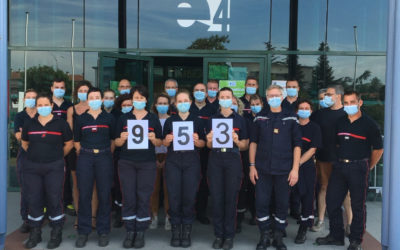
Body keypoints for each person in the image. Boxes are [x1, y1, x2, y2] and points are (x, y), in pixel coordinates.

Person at [316, 90, 383, 250]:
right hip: (339, 166)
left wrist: (368, 166)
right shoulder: (340, 122)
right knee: (332, 201)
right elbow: (337, 144)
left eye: (352, 102)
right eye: (346, 103)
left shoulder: (370, 124)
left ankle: (356, 240)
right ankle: (336, 236)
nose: (349, 106)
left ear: (360, 103)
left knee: (358, 205)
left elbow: (378, 150)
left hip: (359, 167)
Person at [249, 84, 302, 250]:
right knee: (262, 203)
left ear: (282, 96)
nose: (273, 98)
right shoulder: (260, 117)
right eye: (270, 95)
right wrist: (252, 166)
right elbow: (253, 143)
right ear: (266, 97)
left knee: (282, 203)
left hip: (284, 170)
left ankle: (278, 236)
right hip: (262, 169)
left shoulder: (291, 118)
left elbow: (297, 146)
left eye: (276, 95)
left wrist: (295, 169)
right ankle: (264, 236)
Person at [21, 93, 73, 249]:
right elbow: (24, 143)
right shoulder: (30, 124)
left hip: (54, 167)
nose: (43, 108)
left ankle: (56, 232)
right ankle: (35, 233)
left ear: (51, 106)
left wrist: (56, 156)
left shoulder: (61, 123)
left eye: (46, 105)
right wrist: (35, 155)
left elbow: (69, 144)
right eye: (40, 105)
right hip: (32, 167)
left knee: (54, 198)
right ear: (36, 107)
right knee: (34, 199)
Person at [115, 85, 163, 248]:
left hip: (147, 163)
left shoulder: (152, 119)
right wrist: (121, 138)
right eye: (136, 98)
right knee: (128, 196)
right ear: (132, 100)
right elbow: (117, 142)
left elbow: (160, 142)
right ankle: (130, 231)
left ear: (146, 100)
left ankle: (140, 231)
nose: (138, 101)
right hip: (127, 162)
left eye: (141, 98)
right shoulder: (123, 118)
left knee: (143, 196)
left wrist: (153, 139)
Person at [206, 87, 249, 250]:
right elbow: (209, 145)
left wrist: (237, 141)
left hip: (233, 158)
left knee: (231, 199)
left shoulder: (240, 120)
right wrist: (209, 140)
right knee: (217, 198)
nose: (225, 99)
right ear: (218, 99)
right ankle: (219, 234)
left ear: (233, 100)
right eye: (222, 96)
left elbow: (245, 145)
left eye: (227, 97)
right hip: (216, 158)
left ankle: (229, 235)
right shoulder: (212, 119)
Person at [74, 88, 116, 248]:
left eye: (97, 97)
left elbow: (113, 139)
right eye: (91, 97)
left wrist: (105, 153)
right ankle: (83, 232)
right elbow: (76, 140)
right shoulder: (81, 118)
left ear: (102, 99)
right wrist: (86, 153)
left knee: (104, 194)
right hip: (85, 157)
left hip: (104, 157)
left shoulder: (109, 118)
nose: (94, 100)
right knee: (84, 194)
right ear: (88, 99)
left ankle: (103, 231)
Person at [163, 90, 206, 247]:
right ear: (175, 104)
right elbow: (164, 143)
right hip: (173, 160)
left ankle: (186, 231)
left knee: (189, 196)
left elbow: (203, 144)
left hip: (191, 161)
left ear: (190, 102)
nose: (182, 103)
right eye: (179, 101)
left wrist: (197, 141)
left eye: (185, 100)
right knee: (174, 196)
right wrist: (166, 140)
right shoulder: (170, 121)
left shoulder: (197, 120)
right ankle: (175, 230)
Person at [310, 85, 352, 232]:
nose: (326, 97)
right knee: (323, 187)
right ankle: (320, 220)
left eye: (329, 94)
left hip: (343, 159)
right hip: (323, 157)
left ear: (338, 96)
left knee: (346, 191)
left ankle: (350, 223)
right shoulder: (319, 114)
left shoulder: (349, 114)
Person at [67, 80, 96, 230]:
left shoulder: (96, 107)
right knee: (77, 186)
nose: (83, 93)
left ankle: (92, 218)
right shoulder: (71, 109)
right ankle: (80, 217)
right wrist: (78, 147)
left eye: (86, 90)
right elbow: (70, 132)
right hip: (75, 151)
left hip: (93, 150)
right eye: (81, 90)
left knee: (93, 186)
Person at [293, 100, 322, 244]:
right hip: (289, 166)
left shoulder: (315, 128)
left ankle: (303, 229)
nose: (304, 110)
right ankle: (279, 228)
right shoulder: (292, 126)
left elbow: (313, 149)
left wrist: (297, 163)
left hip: (306, 166)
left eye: (307, 108)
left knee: (307, 197)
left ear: (311, 111)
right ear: (297, 111)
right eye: (301, 108)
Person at [190, 83, 218, 224]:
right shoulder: (187, 108)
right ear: (193, 92)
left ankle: (201, 212)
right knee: (190, 182)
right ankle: (189, 211)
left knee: (203, 183)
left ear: (207, 93)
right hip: (189, 152)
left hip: (207, 152)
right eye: (197, 90)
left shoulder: (213, 110)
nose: (199, 92)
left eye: (202, 90)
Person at [236, 94, 263, 232]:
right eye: (252, 104)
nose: (255, 106)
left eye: (257, 103)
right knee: (244, 187)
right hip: (246, 158)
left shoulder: (265, 118)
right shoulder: (245, 120)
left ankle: (256, 214)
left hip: (262, 158)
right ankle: (239, 218)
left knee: (258, 188)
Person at [14, 89, 37, 233]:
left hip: (42, 156)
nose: (31, 100)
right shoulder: (20, 116)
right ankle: (27, 219)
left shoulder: (42, 114)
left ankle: (38, 217)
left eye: (34, 98)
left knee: (40, 189)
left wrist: (26, 134)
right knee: (26, 189)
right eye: (28, 97)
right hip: (25, 156)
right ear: (24, 100)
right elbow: (18, 136)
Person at [51, 78, 75, 216]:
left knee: (66, 174)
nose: (59, 89)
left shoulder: (68, 105)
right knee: (50, 175)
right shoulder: (47, 104)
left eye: (62, 87)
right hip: (50, 144)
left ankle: (67, 202)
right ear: (52, 88)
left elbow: (71, 124)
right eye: (56, 87)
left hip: (67, 144)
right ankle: (48, 203)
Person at [150, 93, 171, 230]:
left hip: (169, 156)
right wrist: (154, 158)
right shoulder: (151, 119)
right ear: (155, 105)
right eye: (160, 103)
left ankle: (169, 217)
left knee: (168, 189)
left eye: (165, 103)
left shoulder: (173, 120)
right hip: (153, 156)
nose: (162, 106)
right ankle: (155, 217)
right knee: (154, 189)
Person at [111, 93, 133, 228]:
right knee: (120, 187)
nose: (126, 107)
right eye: (123, 105)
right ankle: (119, 214)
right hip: (120, 155)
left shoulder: (142, 117)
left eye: (129, 105)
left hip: (137, 156)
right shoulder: (117, 118)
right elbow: (115, 139)